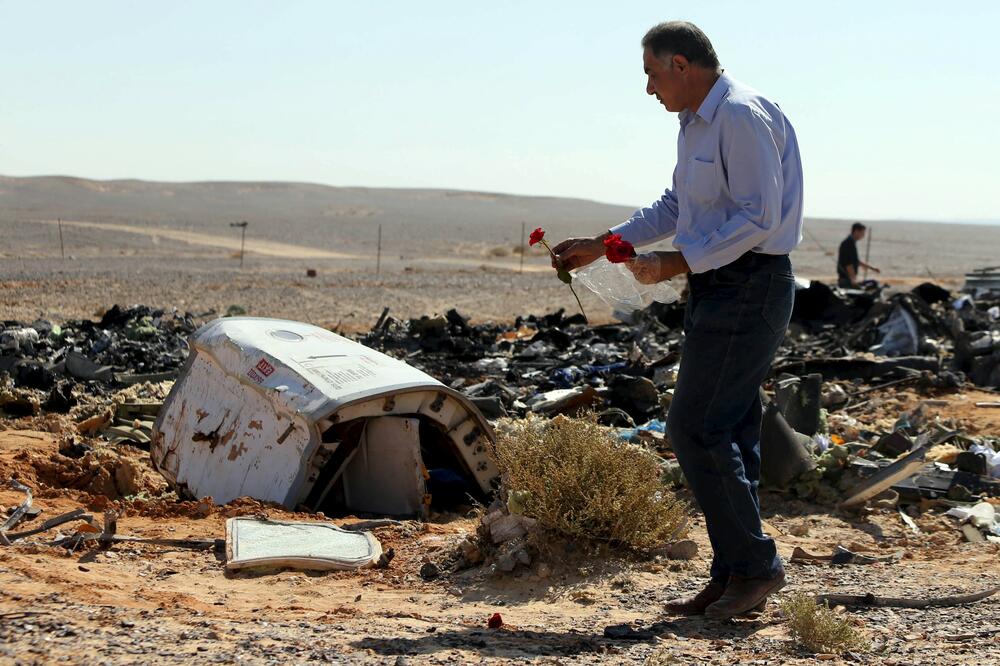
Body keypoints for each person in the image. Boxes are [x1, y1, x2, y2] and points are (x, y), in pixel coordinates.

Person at [552, 21, 803, 619]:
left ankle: (756, 567)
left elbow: (758, 218)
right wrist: (604, 243)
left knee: (694, 429)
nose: (649, 88)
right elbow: (676, 206)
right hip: (719, 288)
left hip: (750, 286)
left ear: (682, 65)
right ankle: (734, 573)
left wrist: (676, 261)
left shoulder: (740, 115)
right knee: (729, 432)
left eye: (651, 73)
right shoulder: (695, 122)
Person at [837, 222, 880, 287]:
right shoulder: (848, 243)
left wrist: (872, 268)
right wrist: (853, 279)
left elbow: (856, 261)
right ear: (856, 231)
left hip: (849, 279)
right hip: (846, 280)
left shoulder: (851, 242)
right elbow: (848, 264)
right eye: (862, 233)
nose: (863, 236)